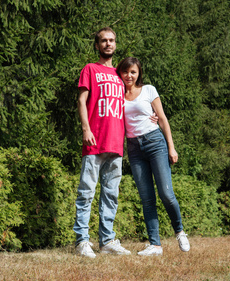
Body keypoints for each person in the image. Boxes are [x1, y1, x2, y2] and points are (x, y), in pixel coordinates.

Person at [116, 57, 190, 256]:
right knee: (147, 199)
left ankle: (180, 231)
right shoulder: (118, 95)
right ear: (120, 73)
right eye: (125, 72)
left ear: (139, 73)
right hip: (134, 148)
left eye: (133, 72)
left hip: (155, 143)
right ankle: (155, 245)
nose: (129, 75)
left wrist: (171, 148)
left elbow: (163, 118)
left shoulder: (149, 90)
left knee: (166, 194)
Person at [73, 27, 131, 258]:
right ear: (97, 45)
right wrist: (85, 129)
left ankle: (107, 241)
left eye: (112, 40)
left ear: (116, 44)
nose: (108, 44)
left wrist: (152, 116)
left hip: (116, 143)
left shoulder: (120, 74)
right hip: (95, 140)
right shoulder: (90, 69)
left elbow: (133, 103)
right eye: (104, 41)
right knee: (86, 192)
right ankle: (82, 242)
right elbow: (81, 100)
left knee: (111, 194)